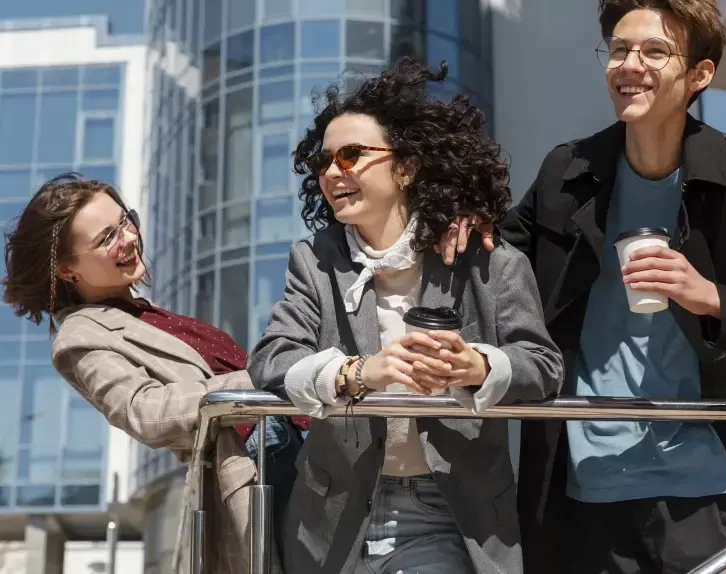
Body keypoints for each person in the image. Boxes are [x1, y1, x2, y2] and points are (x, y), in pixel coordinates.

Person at [443, 1, 726, 572]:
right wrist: (469, 217)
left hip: (708, 486)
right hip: (585, 486)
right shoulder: (567, 173)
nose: (629, 64)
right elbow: (497, 254)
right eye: (620, 49)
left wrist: (712, 298)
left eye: (655, 52)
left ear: (700, 75)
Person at [247, 56, 564, 574]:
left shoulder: (487, 258)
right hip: (329, 515)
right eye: (322, 161)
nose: (332, 173)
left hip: (448, 513)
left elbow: (543, 365)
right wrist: (357, 373)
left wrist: (478, 368)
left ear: (407, 165)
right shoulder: (314, 259)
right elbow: (273, 359)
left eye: (350, 155)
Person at [2, 174, 301, 574]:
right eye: (106, 239)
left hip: (290, 438)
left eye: (125, 221)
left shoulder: (143, 312)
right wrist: (266, 377)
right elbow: (145, 410)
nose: (128, 238)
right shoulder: (80, 336)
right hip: (260, 464)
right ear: (67, 269)